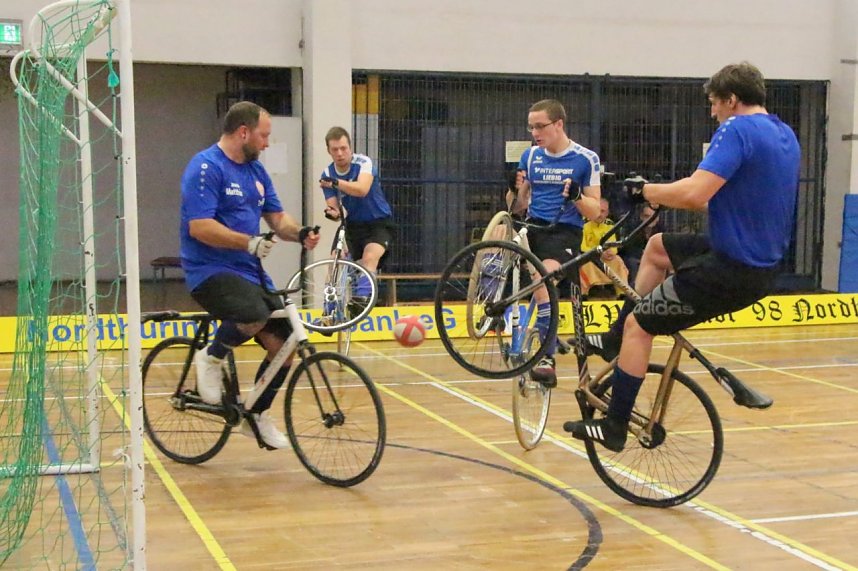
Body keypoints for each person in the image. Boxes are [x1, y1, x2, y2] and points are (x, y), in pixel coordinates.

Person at [565, 62, 800, 451]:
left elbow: (694, 194)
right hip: (758, 261)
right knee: (657, 249)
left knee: (642, 327)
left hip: (732, 269)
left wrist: (647, 192)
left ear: (732, 99)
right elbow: (736, 202)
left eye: (714, 104)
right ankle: (612, 338)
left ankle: (615, 424)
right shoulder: (784, 134)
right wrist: (660, 194)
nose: (713, 113)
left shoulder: (737, 129)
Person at [180, 101, 321, 450]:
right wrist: (249, 242)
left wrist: (300, 233)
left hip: (248, 272)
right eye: (263, 136)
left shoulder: (257, 174)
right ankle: (211, 358)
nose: (267, 144)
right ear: (243, 132)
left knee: (286, 345)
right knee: (253, 312)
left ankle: (256, 413)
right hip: (209, 271)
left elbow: (278, 220)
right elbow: (199, 227)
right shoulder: (205, 167)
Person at [513, 99, 602, 387]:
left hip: (563, 231)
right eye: (531, 127)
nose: (535, 133)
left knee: (544, 277)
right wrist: (512, 191)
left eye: (540, 126)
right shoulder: (530, 157)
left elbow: (596, 212)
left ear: (559, 124)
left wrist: (577, 196)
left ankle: (546, 357)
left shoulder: (585, 159)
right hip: (533, 228)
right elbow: (518, 204)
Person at [319, 126, 394, 316]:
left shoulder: (363, 163)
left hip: (378, 222)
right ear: (329, 151)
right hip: (352, 224)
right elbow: (334, 207)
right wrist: (332, 212)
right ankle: (330, 309)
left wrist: (337, 183)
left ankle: (361, 301)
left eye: (344, 148)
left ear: (350, 148)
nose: (340, 153)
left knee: (369, 258)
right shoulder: (327, 173)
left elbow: (362, 189)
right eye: (335, 150)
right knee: (334, 259)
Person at [579, 198, 629, 298]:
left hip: (604, 257)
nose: (600, 214)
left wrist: (611, 253)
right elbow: (582, 247)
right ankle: (583, 294)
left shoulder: (610, 225)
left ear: (607, 213)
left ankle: (622, 293)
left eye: (603, 211)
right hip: (589, 257)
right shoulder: (583, 223)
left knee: (618, 261)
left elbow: (613, 245)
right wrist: (599, 253)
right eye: (598, 210)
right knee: (584, 264)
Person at [618, 203, 663, 286]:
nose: (650, 220)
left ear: (658, 218)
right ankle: (634, 289)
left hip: (652, 257)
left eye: (653, 217)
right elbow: (629, 249)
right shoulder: (633, 228)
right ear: (641, 217)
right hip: (635, 257)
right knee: (632, 262)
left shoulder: (661, 229)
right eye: (646, 216)